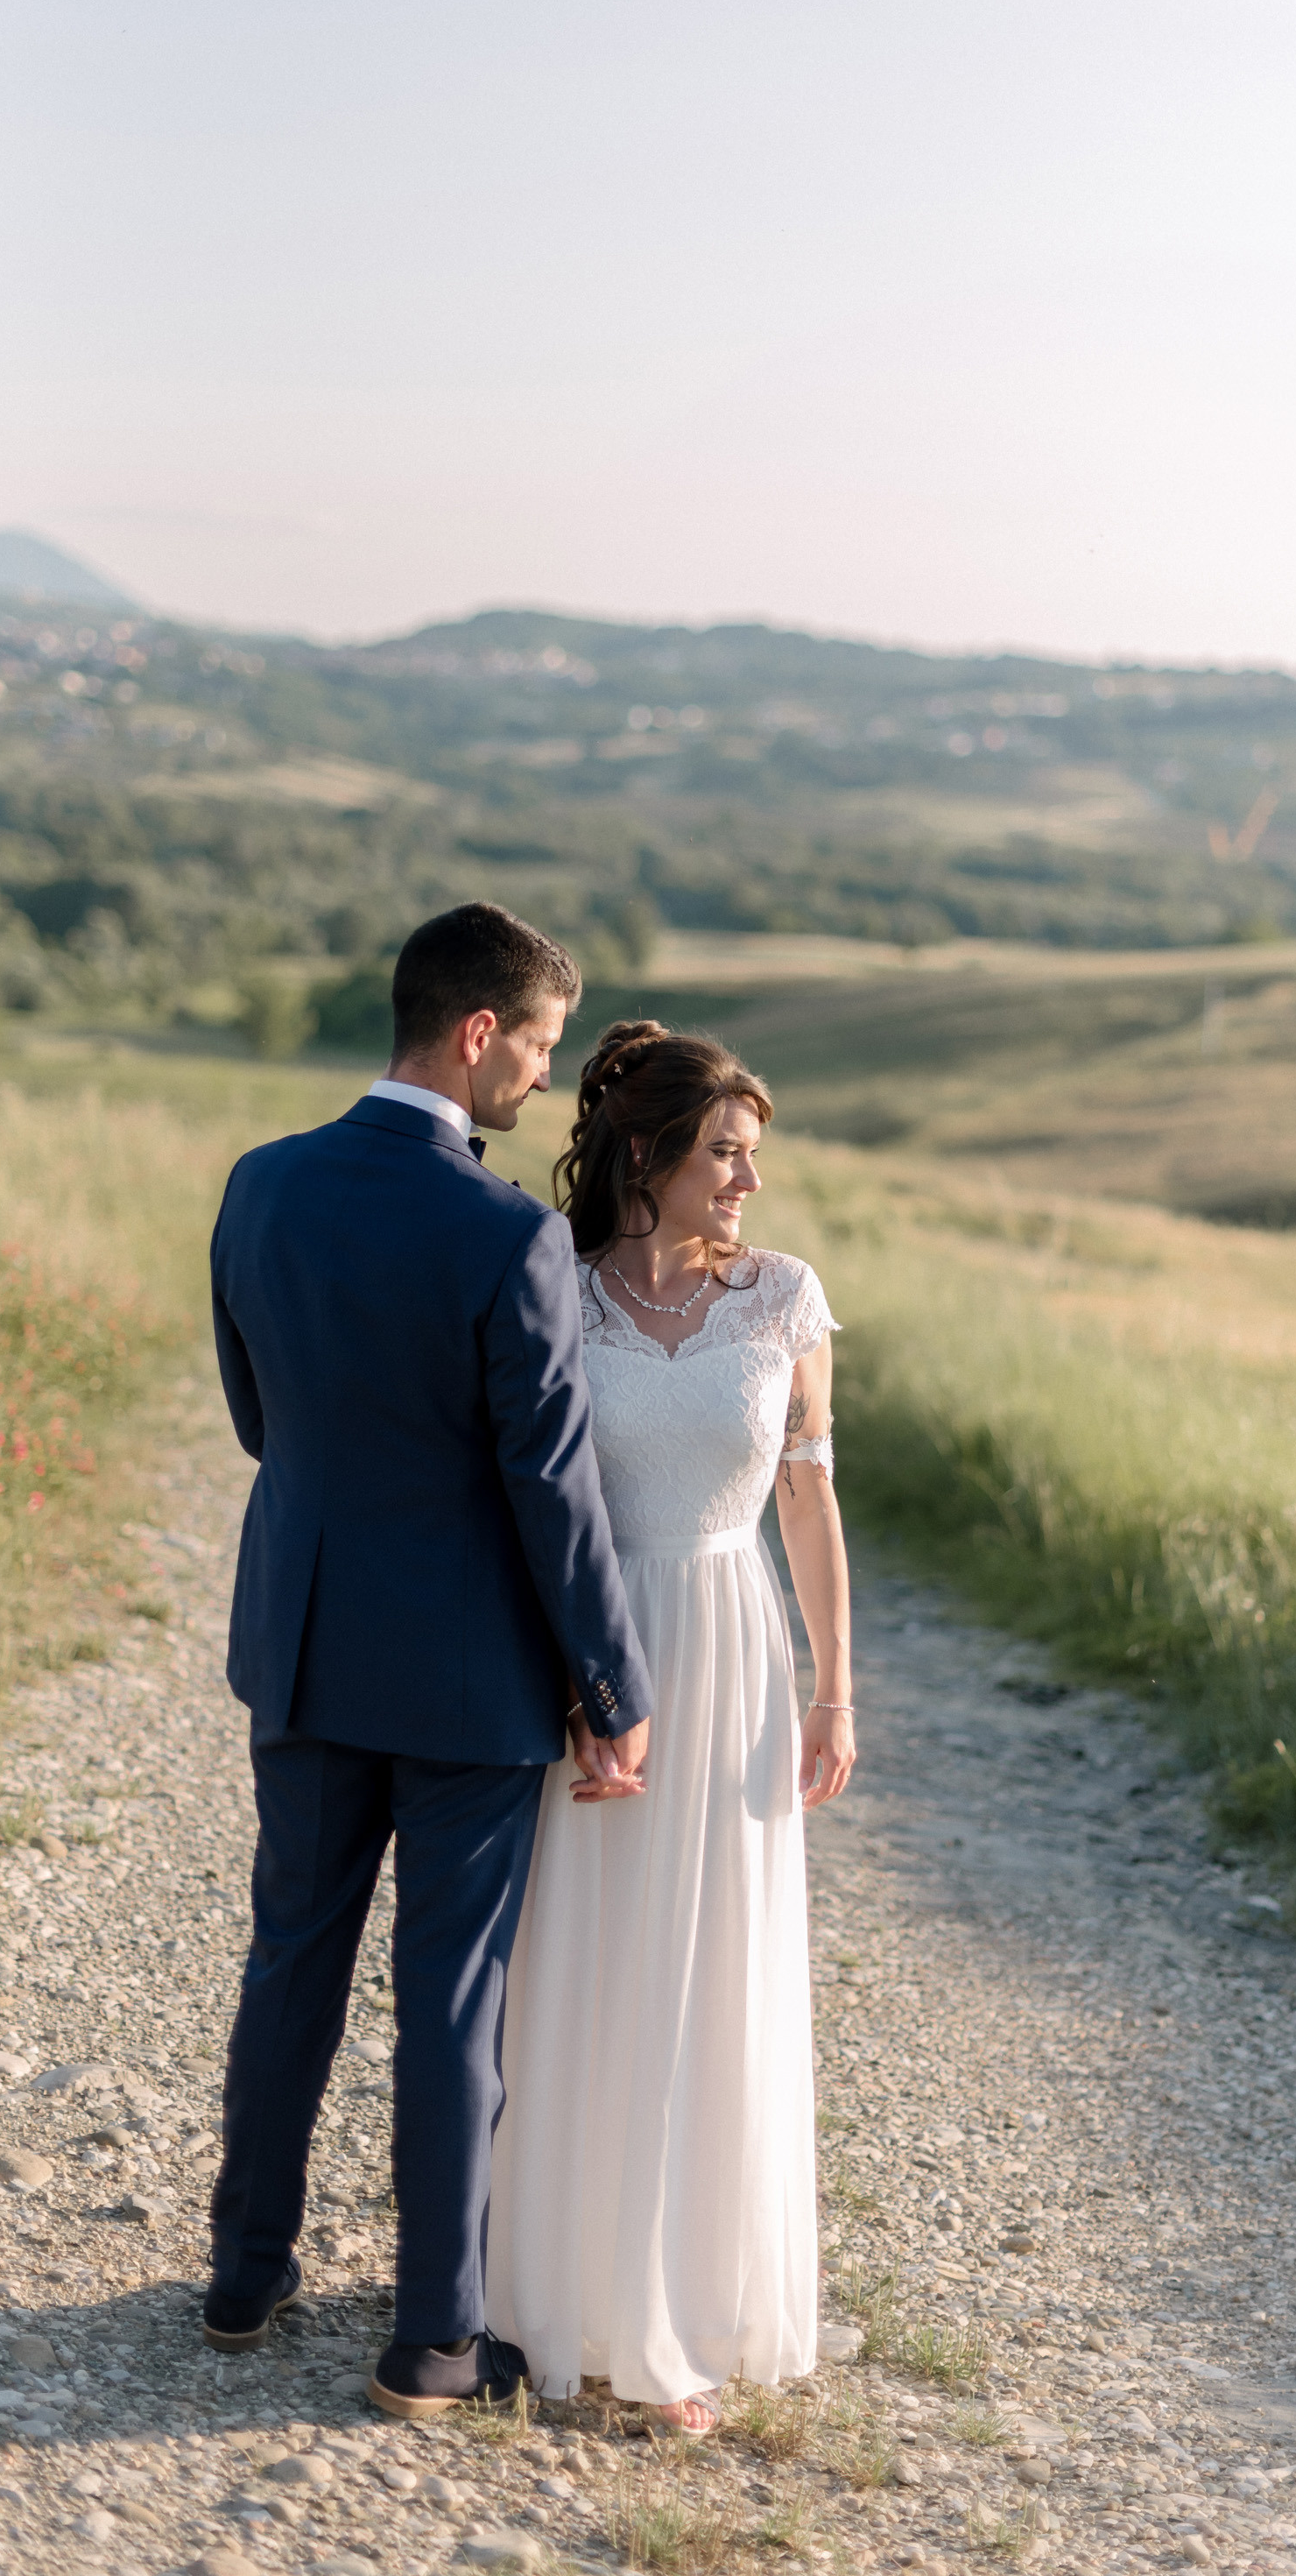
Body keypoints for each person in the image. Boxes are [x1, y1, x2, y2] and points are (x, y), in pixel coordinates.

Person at [203, 905, 654, 2418]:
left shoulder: (260, 1187)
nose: (538, 1076)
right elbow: (553, 1484)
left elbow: (262, 1421)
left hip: (311, 1649)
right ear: (476, 1034)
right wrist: (614, 1687)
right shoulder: (507, 1233)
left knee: (290, 1963)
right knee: (449, 2003)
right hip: (467, 1686)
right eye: (533, 1043)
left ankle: (245, 2277)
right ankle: (434, 2341)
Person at [487, 1020, 856, 2434]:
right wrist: (577, 1685)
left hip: (736, 1648)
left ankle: (690, 2298)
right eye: (726, 1154)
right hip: (597, 1656)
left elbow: (810, 1498)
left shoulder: (785, 1300)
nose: (748, 1184)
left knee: (712, 1970)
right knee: (583, 1967)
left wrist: (835, 1685)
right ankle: (565, 2290)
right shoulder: (559, 1297)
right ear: (648, 1155)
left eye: (755, 1158)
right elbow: (530, 1499)